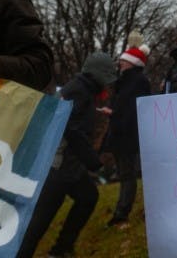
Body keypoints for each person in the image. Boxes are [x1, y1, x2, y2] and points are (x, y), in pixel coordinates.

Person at [17, 52, 117, 258]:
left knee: (88, 197)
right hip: (57, 167)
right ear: (97, 75)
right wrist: (94, 162)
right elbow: (72, 130)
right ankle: (44, 252)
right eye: (106, 79)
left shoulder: (82, 89)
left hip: (68, 166)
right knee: (39, 223)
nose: (108, 85)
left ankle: (61, 249)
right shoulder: (79, 91)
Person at [101, 45, 152, 227]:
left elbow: (132, 111)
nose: (120, 63)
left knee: (127, 175)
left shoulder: (138, 82)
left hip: (128, 136)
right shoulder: (124, 82)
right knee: (125, 174)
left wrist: (114, 114)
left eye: (124, 60)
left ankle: (122, 213)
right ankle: (121, 211)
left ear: (131, 63)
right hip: (121, 135)